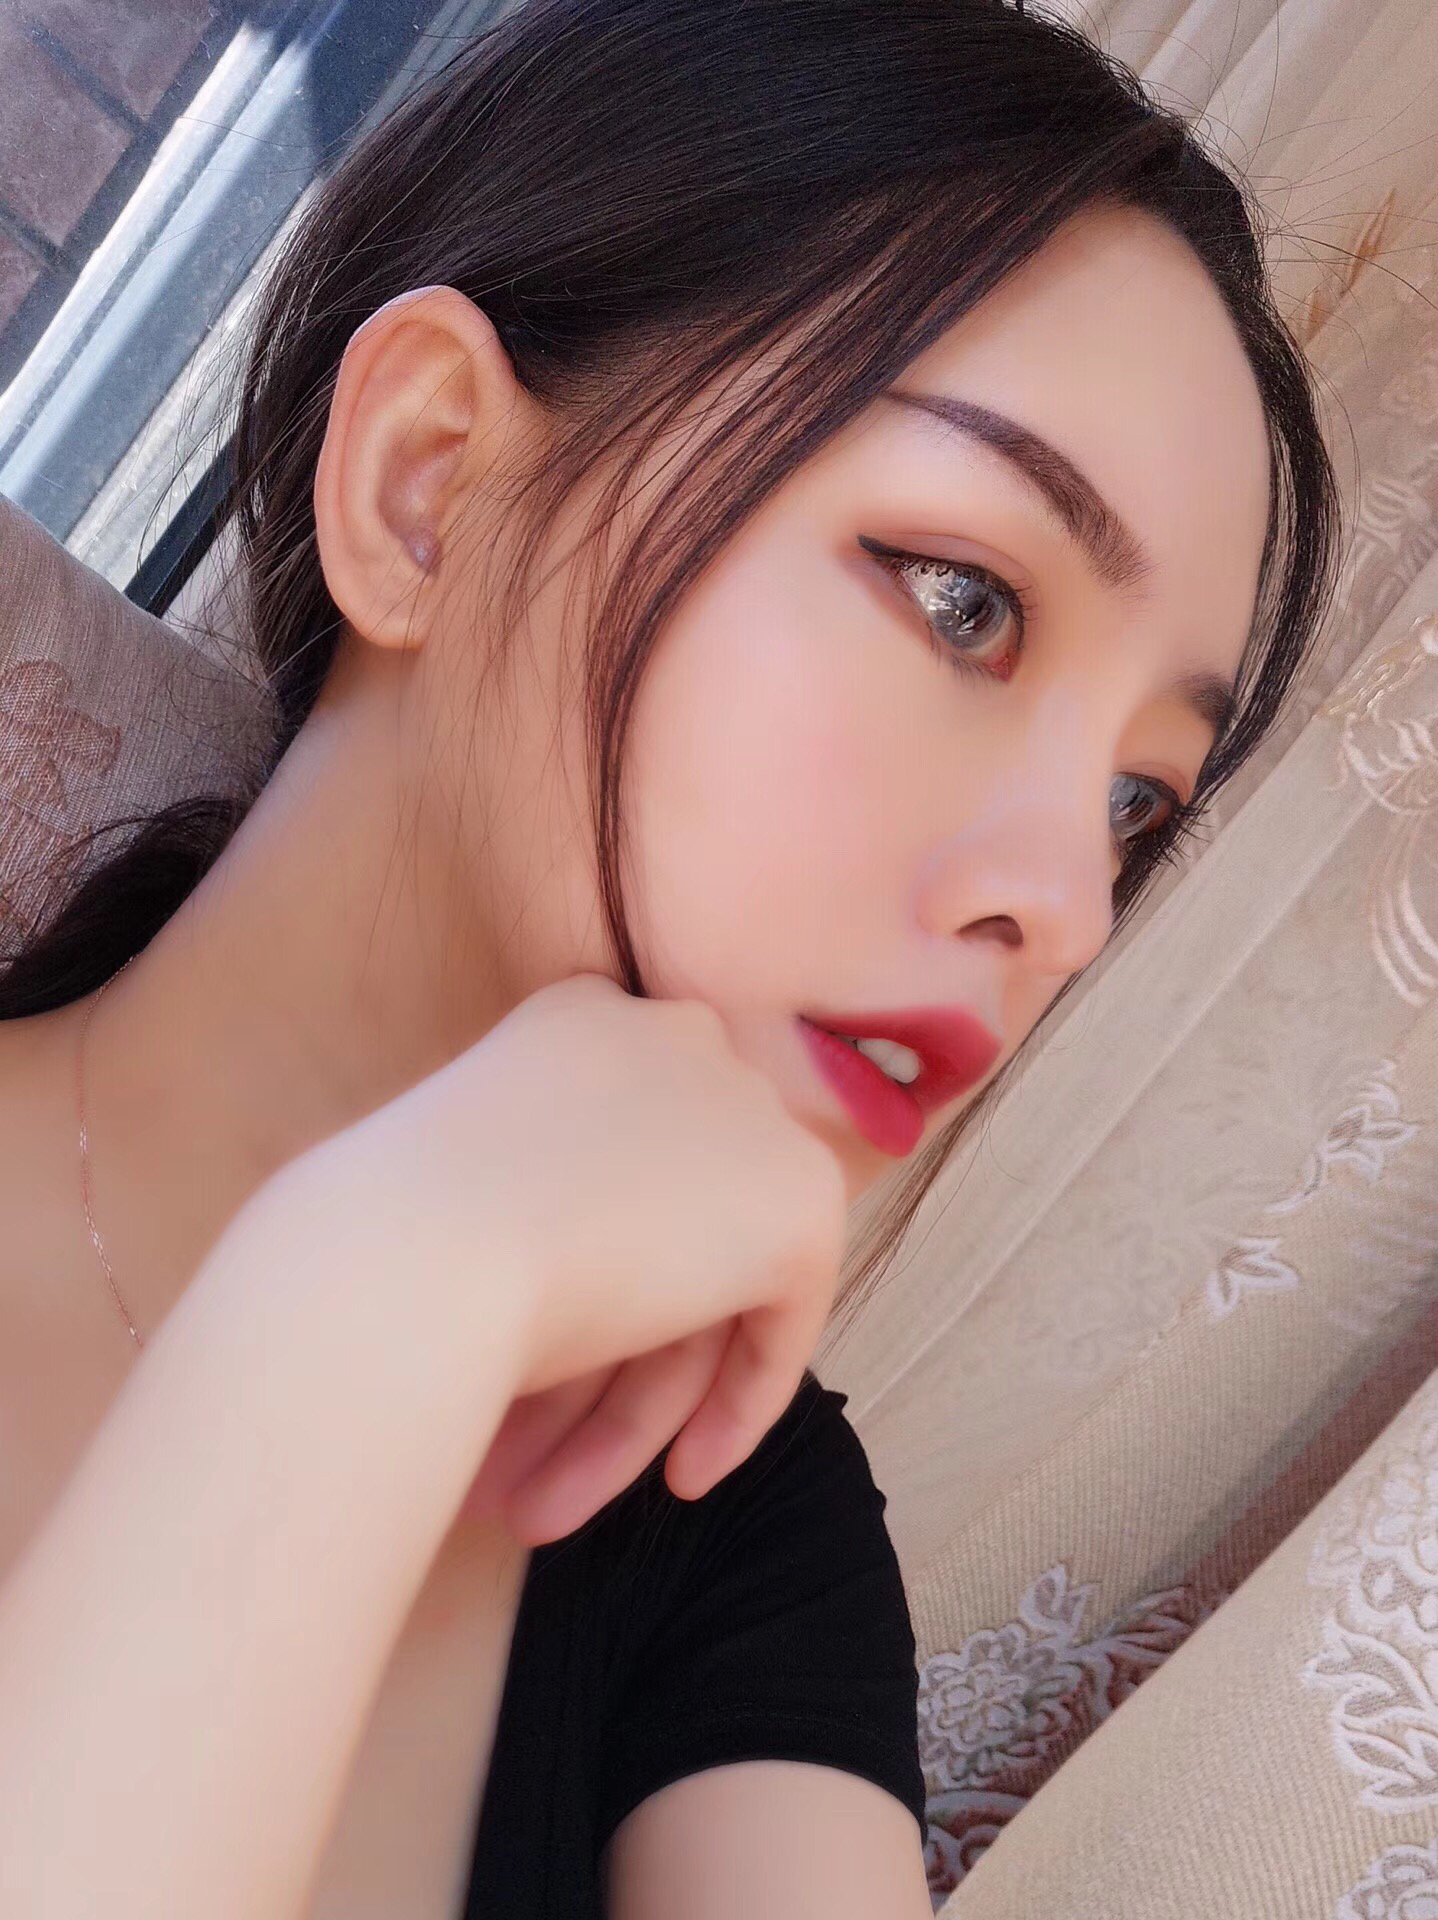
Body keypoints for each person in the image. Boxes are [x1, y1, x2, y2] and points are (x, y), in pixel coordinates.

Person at [0, 1, 1338, 1915]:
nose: (1066, 899)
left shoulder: (743, 1536)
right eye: (962, 598)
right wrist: (364, 1304)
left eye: (1137, 801)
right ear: (428, 484)